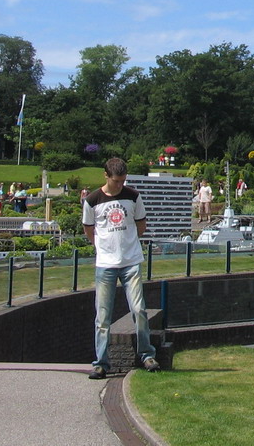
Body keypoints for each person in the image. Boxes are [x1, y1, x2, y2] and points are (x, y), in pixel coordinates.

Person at [82, 157, 160, 378]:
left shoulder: (133, 196)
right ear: (106, 176)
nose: (120, 185)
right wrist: (101, 247)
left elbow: (141, 224)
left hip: (131, 262)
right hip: (106, 264)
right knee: (103, 316)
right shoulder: (92, 200)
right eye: (117, 181)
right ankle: (100, 363)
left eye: (123, 181)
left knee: (139, 310)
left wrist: (128, 244)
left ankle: (146, 354)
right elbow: (89, 229)